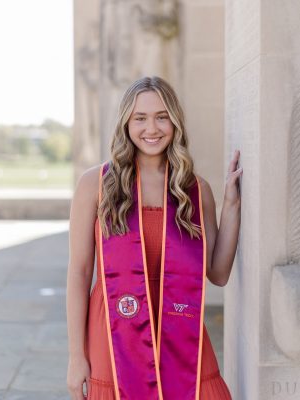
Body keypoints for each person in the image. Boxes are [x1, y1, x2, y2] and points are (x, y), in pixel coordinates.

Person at [66, 76, 242, 400]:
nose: (152, 128)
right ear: (126, 123)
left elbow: (217, 273)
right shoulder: (96, 185)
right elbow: (78, 274)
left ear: (174, 122)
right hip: (115, 327)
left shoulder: (194, 190)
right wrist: (77, 357)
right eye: (140, 118)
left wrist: (231, 204)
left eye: (162, 116)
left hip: (179, 322)